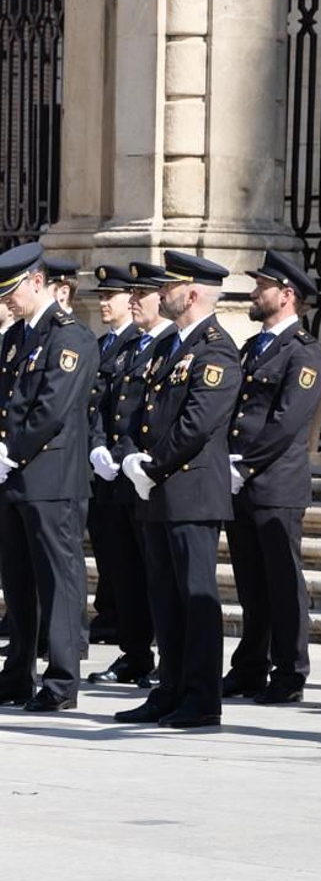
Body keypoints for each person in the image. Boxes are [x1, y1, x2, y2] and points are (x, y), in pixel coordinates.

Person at [114, 252, 241, 729]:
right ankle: (169, 690)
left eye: (167, 287)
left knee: (194, 597)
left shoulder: (216, 349)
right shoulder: (169, 348)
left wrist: (151, 464)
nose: (158, 293)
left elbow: (197, 424)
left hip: (189, 490)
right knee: (163, 596)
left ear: (191, 294)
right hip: (157, 490)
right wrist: (131, 456)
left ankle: (201, 698)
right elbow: (138, 411)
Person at [220, 250, 321, 704]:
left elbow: (287, 423)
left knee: (282, 582)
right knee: (250, 582)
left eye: (261, 286)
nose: (253, 292)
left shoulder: (303, 353)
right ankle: (250, 666)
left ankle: (289, 672)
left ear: (286, 296)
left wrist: (242, 465)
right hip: (241, 483)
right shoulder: (255, 347)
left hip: (274, 484)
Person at [0, 242, 98, 711]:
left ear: (37, 282)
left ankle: (61, 681)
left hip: (51, 479)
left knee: (58, 582)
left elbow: (51, 409)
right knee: (17, 581)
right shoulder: (15, 337)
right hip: (13, 478)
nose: (7, 300)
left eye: (12, 291)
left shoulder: (70, 337)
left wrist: (10, 451)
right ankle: (18, 672)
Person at [87, 265, 178, 687]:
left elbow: (156, 418)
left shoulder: (168, 347)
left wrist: (127, 454)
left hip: (144, 475)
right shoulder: (128, 349)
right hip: (113, 478)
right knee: (121, 570)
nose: (135, 299)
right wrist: (98, 445)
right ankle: (134, 652)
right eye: (134, 292)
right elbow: (104, 406)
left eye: (143, 292)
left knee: (152, 572)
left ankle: (165, 655)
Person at [83, 266, 142, 652]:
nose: (103, 302)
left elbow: (130, 408)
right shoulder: (100, 343)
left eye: (111, 296)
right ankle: (111, 618)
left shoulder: (138, 342)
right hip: (97, 460)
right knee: (107, 549)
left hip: (125, 466)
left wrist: (116, 453)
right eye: (101, 296)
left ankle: (127, 628)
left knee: (128, 559)